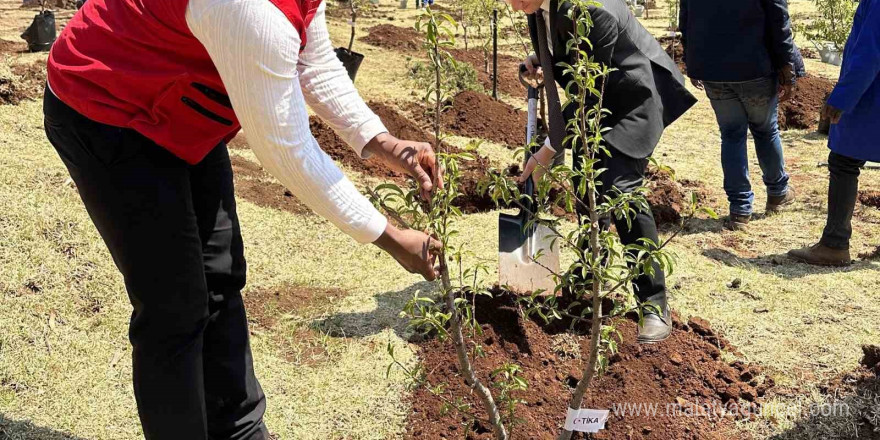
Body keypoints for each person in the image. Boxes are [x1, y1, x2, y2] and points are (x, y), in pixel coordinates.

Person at [43, 0, 443, 438]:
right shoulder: (247, 9)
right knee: (174, 307)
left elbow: (316, 64)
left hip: (179, 105)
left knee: (221, 275)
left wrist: (385, 143)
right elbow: (288, 150)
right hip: (106, 108)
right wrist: (390, 237)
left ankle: (241, 431)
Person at [508, 0, 697, 343]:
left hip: (631, 100)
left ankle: (652, 302)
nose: (511, 3)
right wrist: (541, 61)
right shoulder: (538, 8)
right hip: (593, 106)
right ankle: (592, 268)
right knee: (586, 180)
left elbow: (588, 96)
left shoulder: (593, 10)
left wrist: (548, 152)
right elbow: (568, 52)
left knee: (621, 189)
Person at [679, 0, 798, 230]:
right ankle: (778, 193)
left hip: (713, 68)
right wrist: (786, 65)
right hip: (755, 67)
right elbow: (778, 18)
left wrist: (692, 59)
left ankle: (740, 210)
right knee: (765, 131)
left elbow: (685, 19)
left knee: (732, 135)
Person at [789, 0, 879, 266]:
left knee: (843, 161)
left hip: (871, 96)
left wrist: (843, 97)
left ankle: (834, 244)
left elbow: (869, 54)